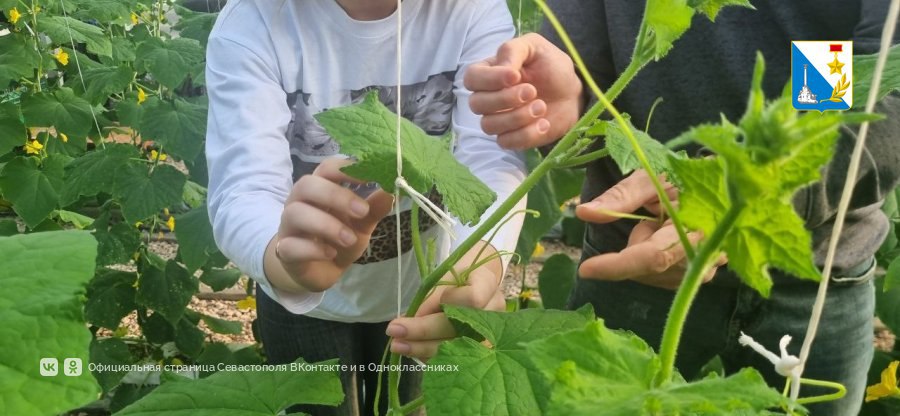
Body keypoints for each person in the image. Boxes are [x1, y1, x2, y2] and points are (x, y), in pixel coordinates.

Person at [464, 1, 900, 415]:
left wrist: (753, 186)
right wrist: (568, 108)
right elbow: (582, 74)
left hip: (818, 270)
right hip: (634, 258)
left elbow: (877, 74)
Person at [205, 0, 526, 414]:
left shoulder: (471, 9)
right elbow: (243, 188)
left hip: (427, 287)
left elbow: (490, 157)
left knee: (406, 405)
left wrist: (480, 261)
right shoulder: (254, 17)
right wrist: (284, 257)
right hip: (297, 294)